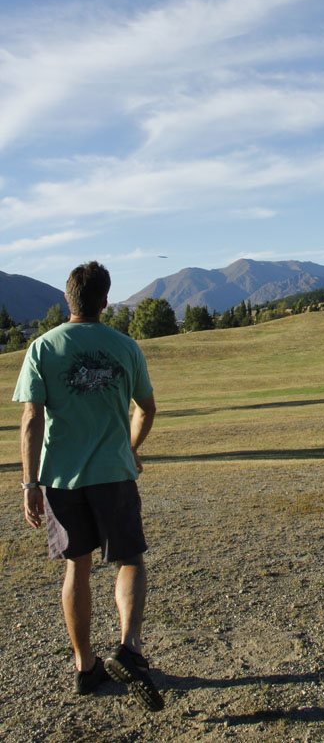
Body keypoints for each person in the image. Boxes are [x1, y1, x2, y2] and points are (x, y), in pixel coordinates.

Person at [13, 261, 164, 712]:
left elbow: (31, 419)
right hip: (114, 473)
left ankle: (84, 667)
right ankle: (129, 648)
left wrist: (30, 482)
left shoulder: (42, 347)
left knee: (76, 568)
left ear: (68, 298)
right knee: (129, 559)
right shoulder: (125, 346)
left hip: (61, 479)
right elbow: (147, 408)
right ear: (105, 301)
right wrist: (130, 447)